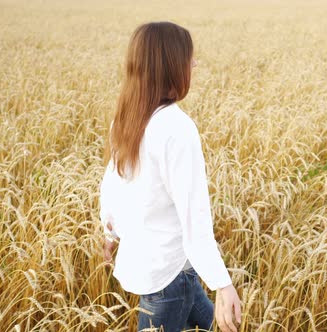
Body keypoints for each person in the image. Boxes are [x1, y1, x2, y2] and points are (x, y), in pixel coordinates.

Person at [98, 21, 242, 332]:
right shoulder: (176, 127)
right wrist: (223, 284)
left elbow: (112, 181)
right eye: (189, 57)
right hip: (170, 276)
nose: (194, 64)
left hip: (158, 267)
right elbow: (194, 216)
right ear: (171, 65)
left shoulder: (127, 117)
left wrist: (109, 232)